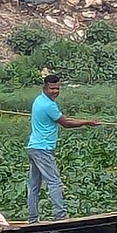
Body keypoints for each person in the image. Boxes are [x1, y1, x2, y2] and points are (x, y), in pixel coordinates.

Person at [26, 74, 101, 223]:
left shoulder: (39, 100)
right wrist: (87, 122)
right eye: (52, 88)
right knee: (54, 182)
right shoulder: (49, 105)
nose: (55, 91)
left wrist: (69, 118)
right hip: (43, 149)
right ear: (45, 87)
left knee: (34, 185)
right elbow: (65, 123)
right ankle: (60, 216)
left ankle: (32, 219)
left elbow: (61, 118)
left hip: (33, 147)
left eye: (57, 88)